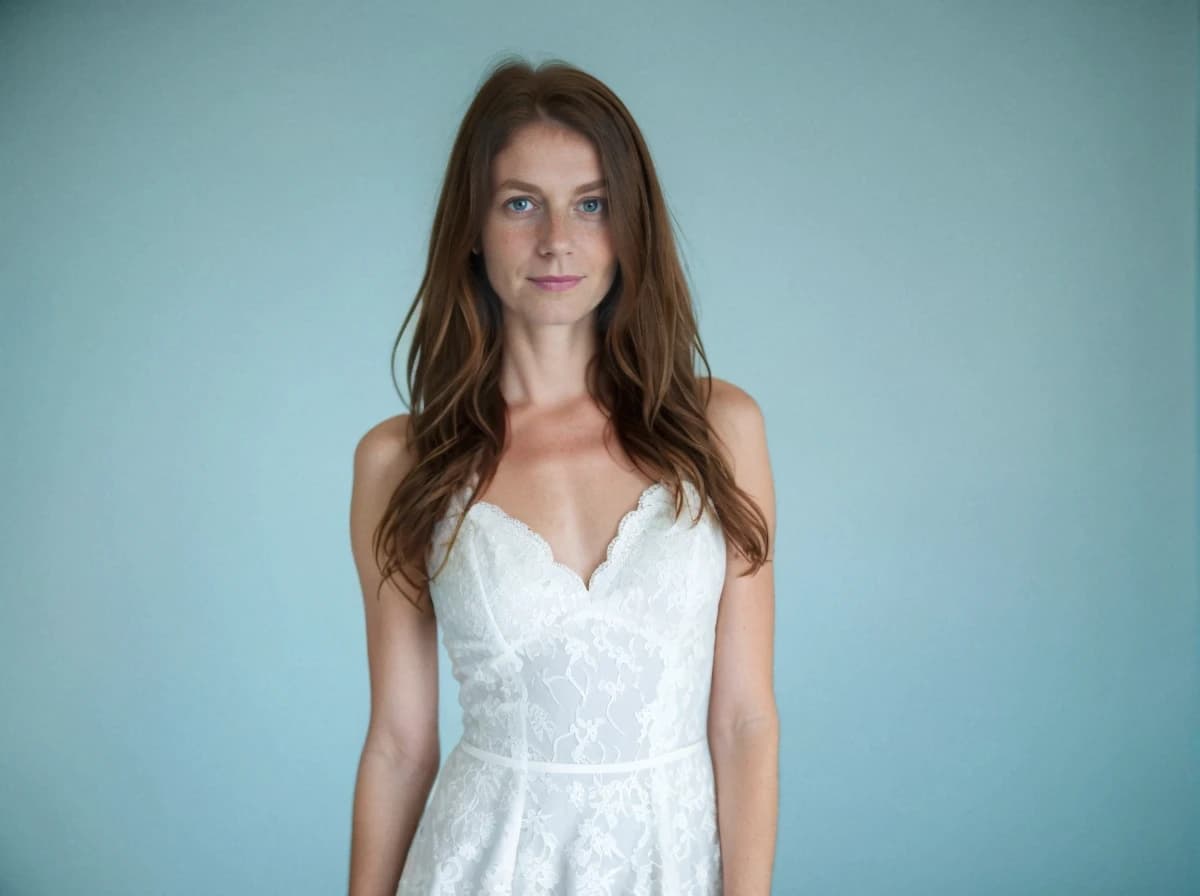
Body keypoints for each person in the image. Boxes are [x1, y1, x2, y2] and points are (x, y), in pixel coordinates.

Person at [347, 55, 778, 896]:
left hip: (671, 864)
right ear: (471, 227)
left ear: (630, 226)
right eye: (520, 203)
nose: (557, 240)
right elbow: (400, 741)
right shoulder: (400, 461)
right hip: (478, 868)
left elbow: (745, 720)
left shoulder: (720, 429)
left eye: (592, 204)